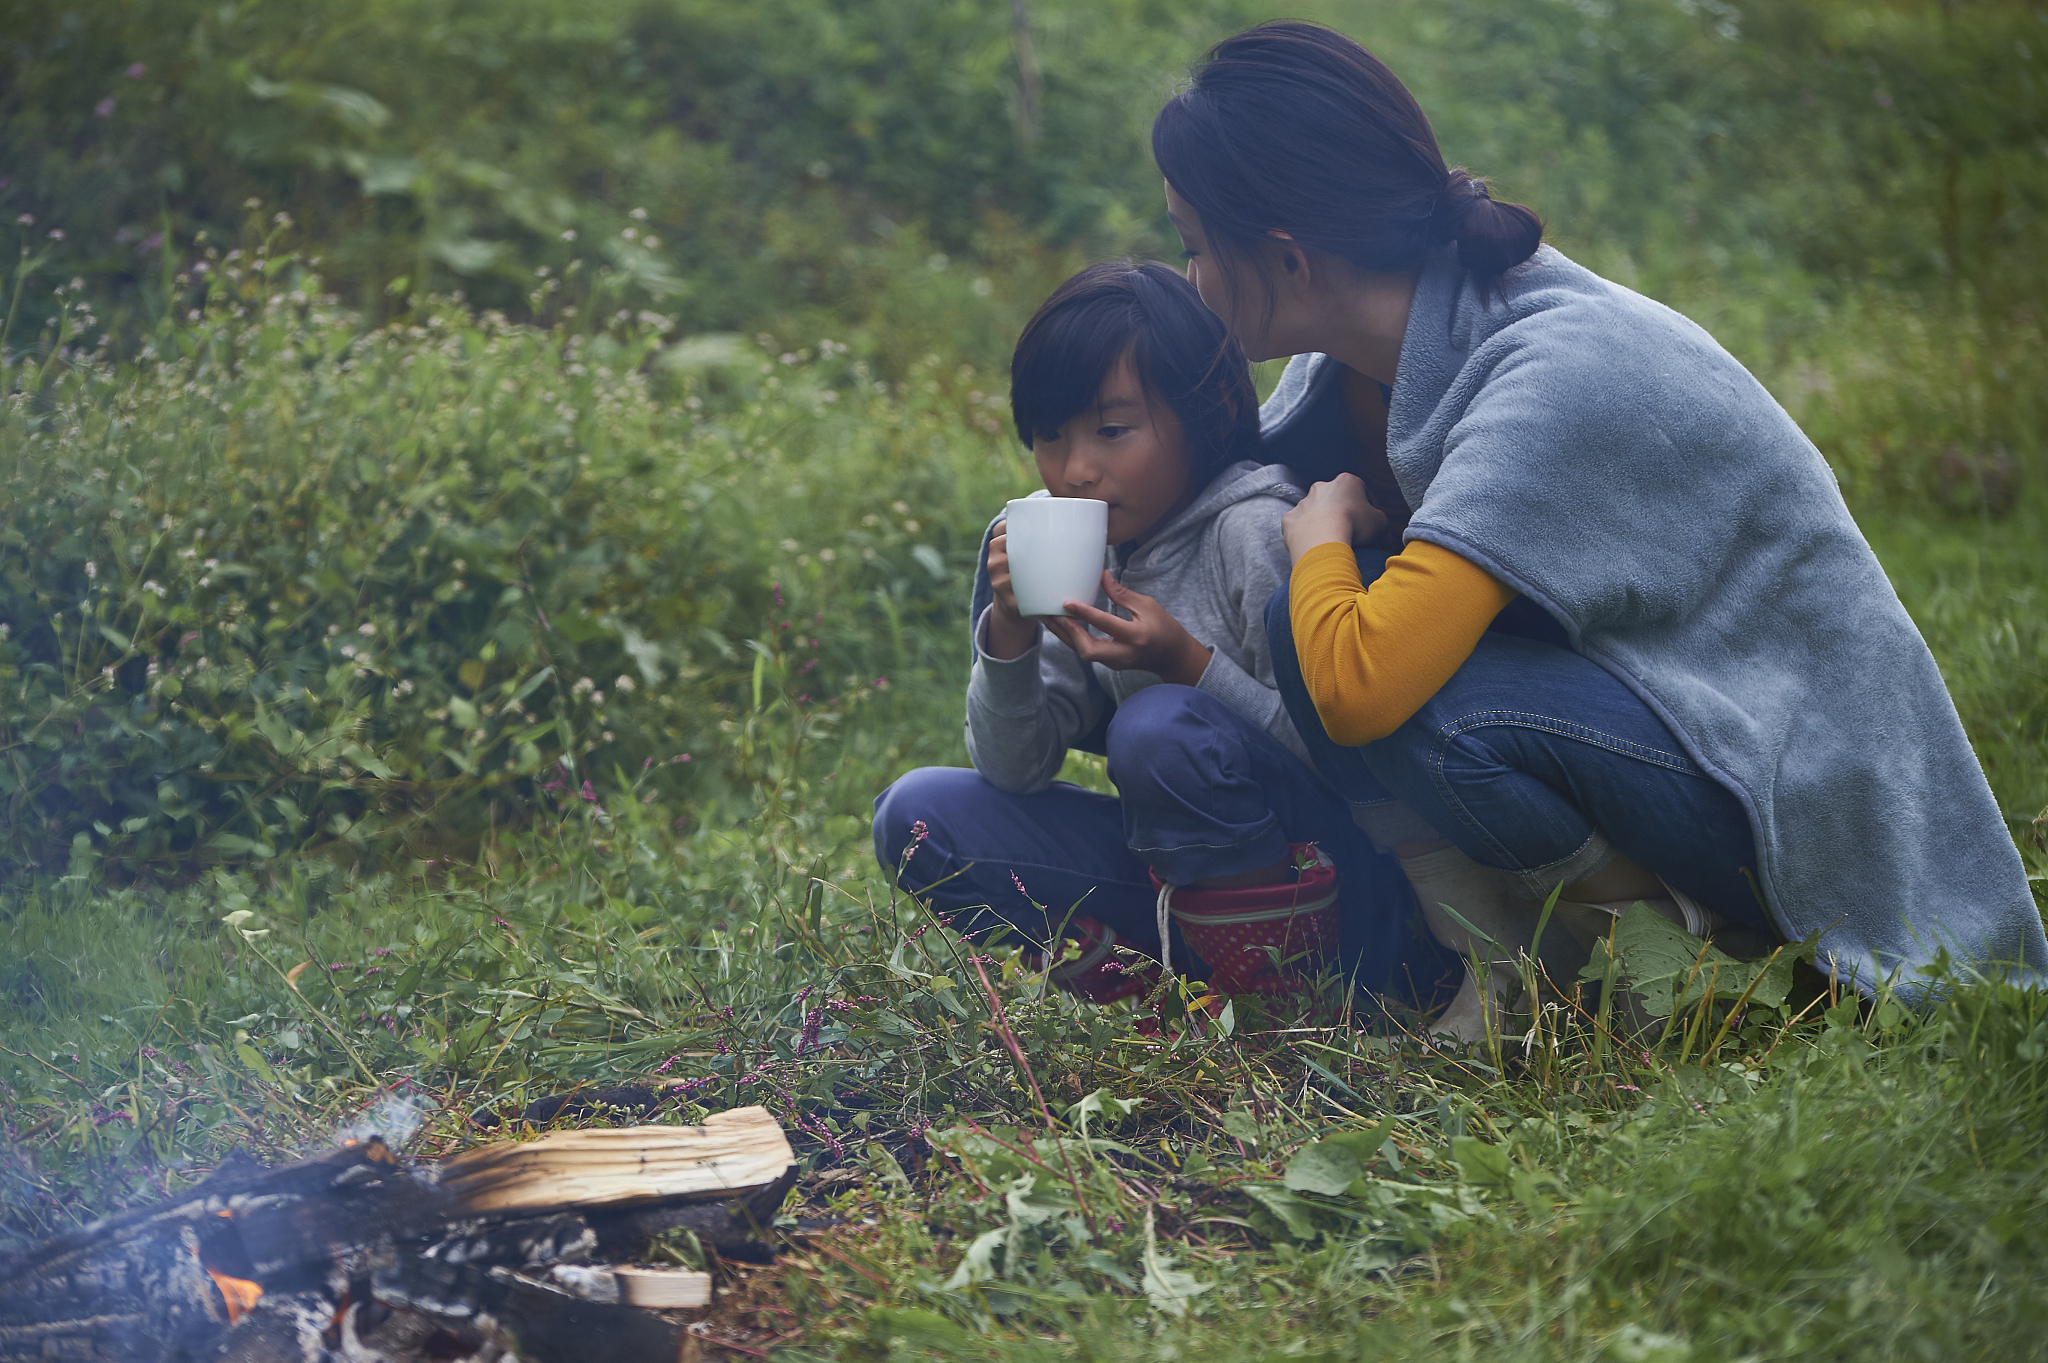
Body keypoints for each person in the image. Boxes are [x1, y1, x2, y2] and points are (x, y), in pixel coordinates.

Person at [1152, 21, 2047, 1039]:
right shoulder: (1354, 364)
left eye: (1192, 247)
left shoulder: (1555, 369)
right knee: (1310, 616)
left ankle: (1666, 964)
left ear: (1287, 258)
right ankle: (1499, 960)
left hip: (1787, 784)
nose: (1190, 279)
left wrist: (1316, 544)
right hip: (1659, 721)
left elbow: (1360, 688)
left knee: (1400, 678)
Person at [872, 260, 1453, 1007]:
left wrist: (1188, 664)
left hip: (1342, 887)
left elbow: (1350, 764)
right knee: (917, 817)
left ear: (1208, 410)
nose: (1076, 469)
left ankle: (1283, 998)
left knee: (1158, 727)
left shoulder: (1254, 531)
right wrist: (1010, 631)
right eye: (1049, 436)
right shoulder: (1087, 546)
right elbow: (1014, 769)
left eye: (1112, 431)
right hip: (1181, 873)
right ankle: (1156, 987)